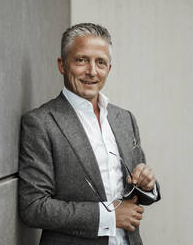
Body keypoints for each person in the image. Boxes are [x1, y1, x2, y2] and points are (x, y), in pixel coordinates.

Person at [18, 23, 161, 245]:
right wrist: (109, 216)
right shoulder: (41, 123)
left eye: (100, 62)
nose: (92, 71)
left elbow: (136, 193)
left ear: (109, 69)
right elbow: (34, 207)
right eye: (81, 60)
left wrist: (147, 185)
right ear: (62, 65)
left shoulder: (125, 119)